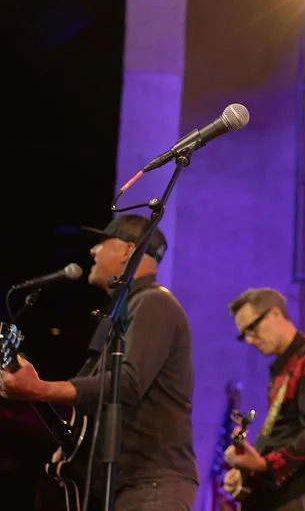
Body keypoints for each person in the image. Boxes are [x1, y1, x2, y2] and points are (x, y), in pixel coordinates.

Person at [0, 213, 198, 510]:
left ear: (127, 251)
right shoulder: (126, 313)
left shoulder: (154, 302)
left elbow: (126, 385)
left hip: (151, 485)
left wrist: (40, 390)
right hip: (129, 485)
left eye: (102, 242)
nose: (93, 250)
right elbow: (106, 399)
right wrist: (76, 451)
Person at [223, 287, 305, 511]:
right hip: (281, 496)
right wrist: (245, 472)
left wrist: (263, 463)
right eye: (244, 335)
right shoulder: (286, 367)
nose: (250, 340)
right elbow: (284, 434)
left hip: (299, 494)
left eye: (252, 327)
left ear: (275, 313)